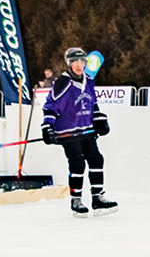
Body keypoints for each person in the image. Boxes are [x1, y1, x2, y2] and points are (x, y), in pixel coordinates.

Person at [42, 47, 116, 217]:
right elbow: (50, 107)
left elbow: (92, 104)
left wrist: (98, 119)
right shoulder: (63, 82)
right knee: (78, 164)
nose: (79, 65)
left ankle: (98, 198)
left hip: (86, 130)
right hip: (68, 132)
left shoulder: (88, 80)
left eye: (82, 61)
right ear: (69, 63)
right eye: (75, 62)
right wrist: (47, 126)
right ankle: (76, 200)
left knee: (96, 159)